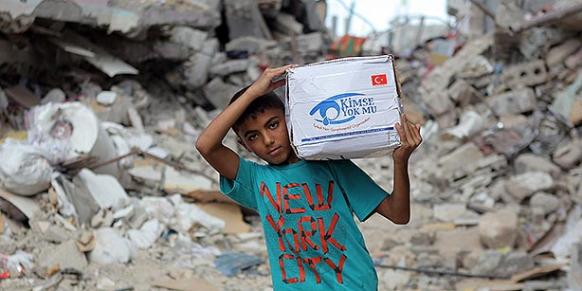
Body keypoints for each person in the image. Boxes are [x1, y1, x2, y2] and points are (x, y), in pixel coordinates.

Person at [196, 64, 422, 290]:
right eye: (253, 136)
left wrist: (400, 162)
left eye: (273, 125)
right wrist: (254, 91)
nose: (268, 140)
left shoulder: (332, 164)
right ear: (244, 145)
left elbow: (398, 214)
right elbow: (206, 145)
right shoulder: (255, 180)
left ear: (291, 118)